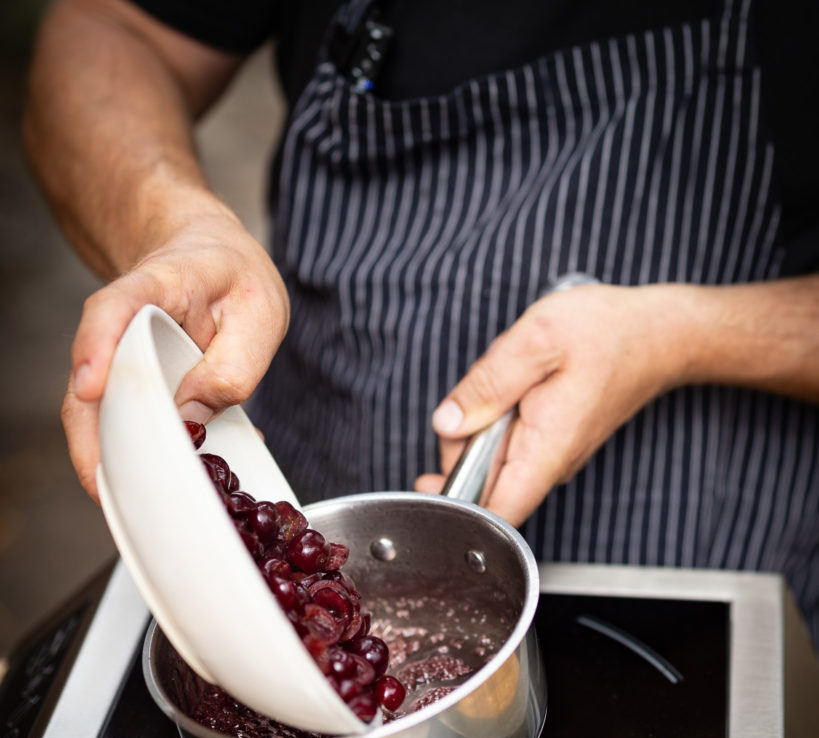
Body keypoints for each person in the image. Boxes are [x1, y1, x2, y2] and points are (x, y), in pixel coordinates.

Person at [22, 0, 819, 647]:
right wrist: (172, 224)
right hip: (308, 475)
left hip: (704, 595)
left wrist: (687, 331)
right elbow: (112, 29)